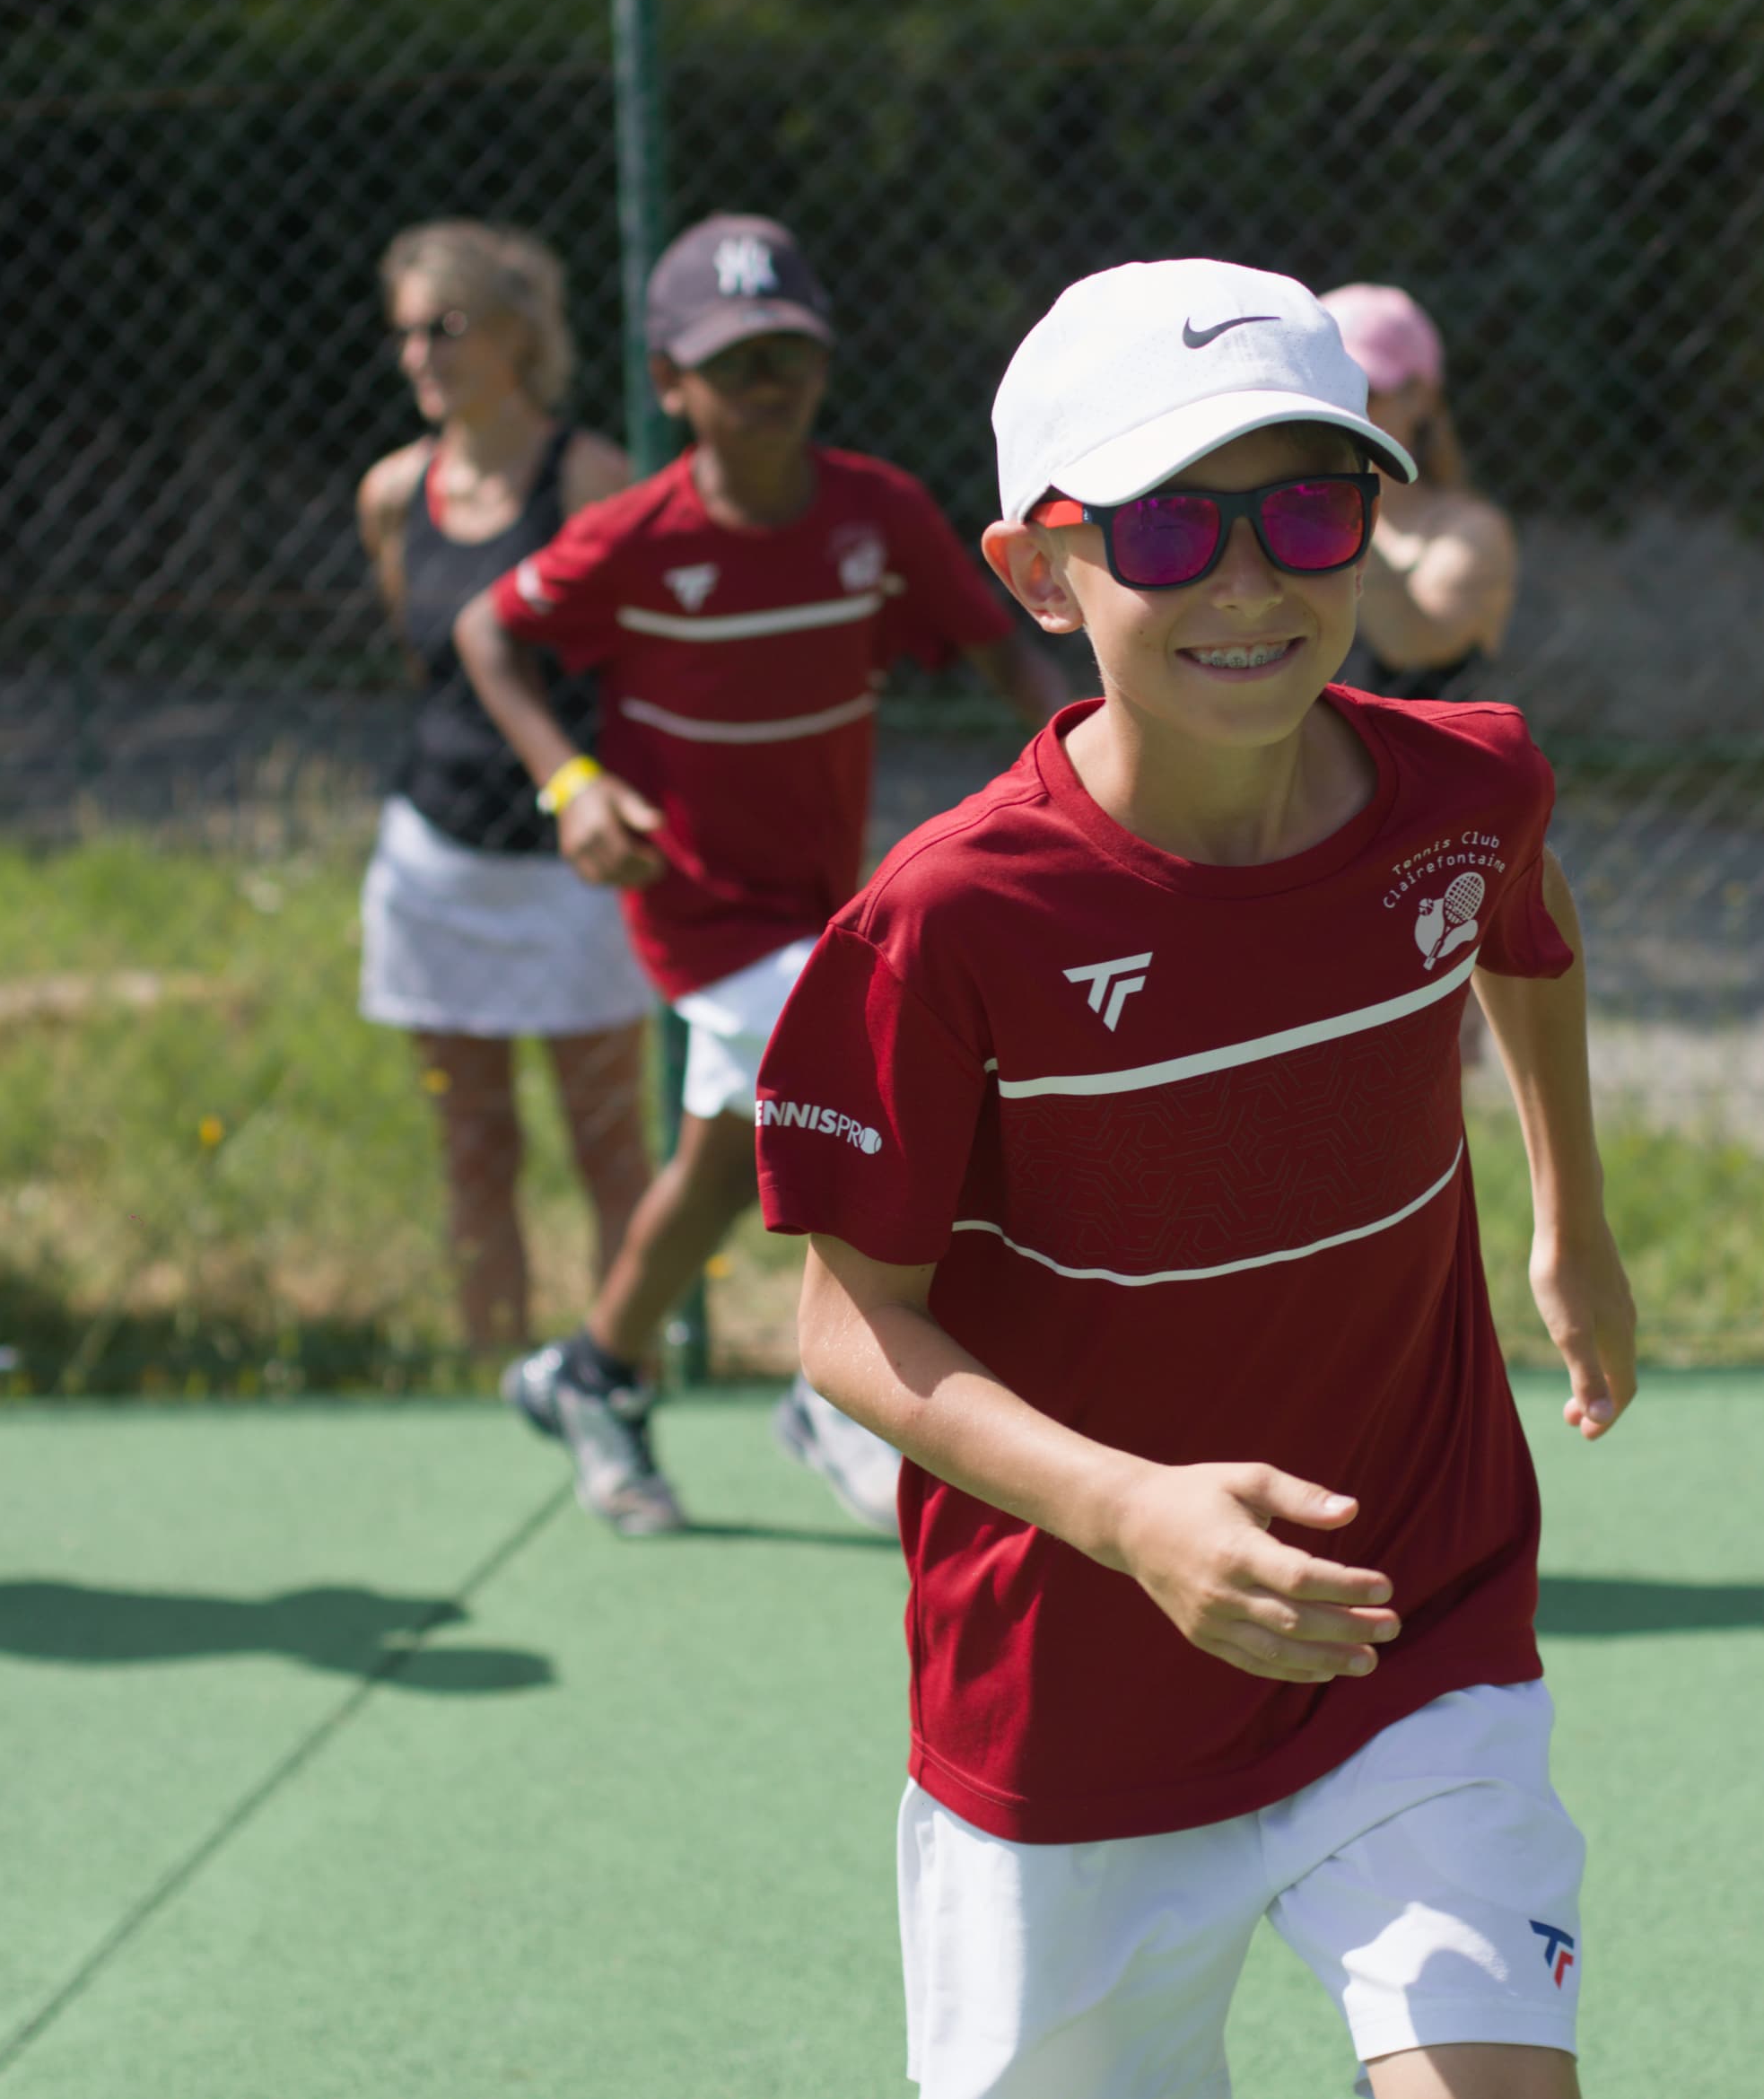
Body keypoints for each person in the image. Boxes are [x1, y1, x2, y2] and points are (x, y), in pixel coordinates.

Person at [760, 259, 1637, 2098]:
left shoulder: (1465, 787)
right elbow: (846, 1329)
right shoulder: (946, 921)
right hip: (1067, 1722)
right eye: (1163, 528)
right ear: (1035, 571)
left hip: (1416, 1622)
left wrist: (1574, 1223)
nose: (1248, 584)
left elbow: (1523, 924)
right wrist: (1131, 1516)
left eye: (1311, 511)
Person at [453, 213, 1072, 1535]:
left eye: (789, 351)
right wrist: (570, 783)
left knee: (730, 1159)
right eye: (734, 361)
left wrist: (1082, 759)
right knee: (875, 1086)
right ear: (670, 382)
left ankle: (595, 1371)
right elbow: (486, 633)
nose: (768, 383)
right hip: (695, 905)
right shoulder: (634, 535)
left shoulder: (875, 511)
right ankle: (841, 1387)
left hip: (816, 895)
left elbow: (1002, 648)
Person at [354, 221, 654, 1360]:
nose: (421, 355)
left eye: (447, 327)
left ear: (518, 338)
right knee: (473, 1147)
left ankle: (621, 1375)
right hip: (436, 866)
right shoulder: (391, 494)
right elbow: (419, 652)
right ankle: (493, 1374)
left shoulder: (591, 480)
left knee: (607, 1148)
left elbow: (633, 662)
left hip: (574, 877)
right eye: (407, 334)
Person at [1322, 284, 1519, 701]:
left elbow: (1416, 647)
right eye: (1323, 389)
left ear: (1420, 397)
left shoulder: (1470, 531)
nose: (1340, 409)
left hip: (1426, 765)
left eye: (1364, 391)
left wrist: (1332, 509)